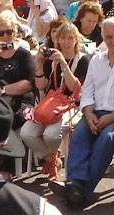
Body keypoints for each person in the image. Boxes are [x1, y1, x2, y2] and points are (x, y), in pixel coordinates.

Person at [50, 17, 114, 207]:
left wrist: (113, 116)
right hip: (95, 111)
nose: (113, 41)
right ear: (103, 37)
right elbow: (88, 90)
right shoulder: (97, 60)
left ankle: (81, 192)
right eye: (108, 37)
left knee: (105, 140)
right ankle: (75, 184)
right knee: (78, 136)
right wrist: (88, 112)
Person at [21, 22, 90, 180]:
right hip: (50, 104)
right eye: (63, 38)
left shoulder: (83, 60)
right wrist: (38, 65)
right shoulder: (50, 60)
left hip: (72, 105)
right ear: (57, 40)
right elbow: (41, 86)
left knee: (51, 135)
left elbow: (75, 88)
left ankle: (51, 160)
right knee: (27, 133)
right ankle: (52, 159)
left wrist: (64, 64)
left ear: (76, 40)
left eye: (70, 38)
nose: (66, 42)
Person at [0, 15, 35, 132]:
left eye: (9, 32)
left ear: (14, 33)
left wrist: (3, 90)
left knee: (7, 119)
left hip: (21, 102)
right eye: (1, 33)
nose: (6, 36)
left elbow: (28, 84)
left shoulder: (23, 54)